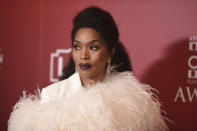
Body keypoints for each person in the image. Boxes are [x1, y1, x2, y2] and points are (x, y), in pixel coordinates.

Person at [8, 6, 168, 131]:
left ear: (110, 53)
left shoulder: (131, 99)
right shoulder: (53, 95)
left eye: (93, 47)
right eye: (77, 47)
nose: (83, 55)